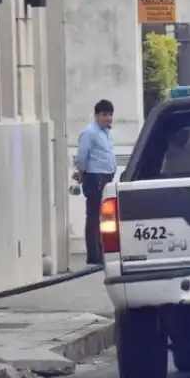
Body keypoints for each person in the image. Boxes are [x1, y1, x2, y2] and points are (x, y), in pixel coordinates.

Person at [73, 100, 117, 266]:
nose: (108, 118)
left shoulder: (106, 132)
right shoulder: (90, 132)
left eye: (110, 115)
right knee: (93, 216)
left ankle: (101, 252)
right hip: (94, 177)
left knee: (104, 216)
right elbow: (82, 155)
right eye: (104, 115)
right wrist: (81, 172)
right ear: (97, 115)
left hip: (105, 177)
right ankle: (94, 255)